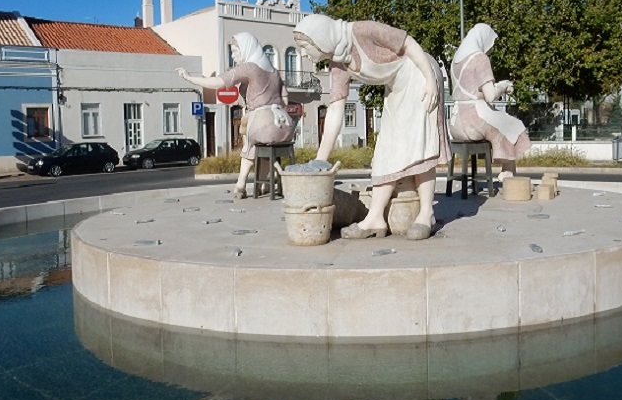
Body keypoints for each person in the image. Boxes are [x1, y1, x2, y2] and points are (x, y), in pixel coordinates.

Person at [293, 14, 449, 240]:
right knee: (385, 149)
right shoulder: (338, 64)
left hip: (419, 74)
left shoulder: (362, 30)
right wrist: (320, 160)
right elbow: (335, 110)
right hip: (397, 86)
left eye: (305, 46)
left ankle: (427, 214)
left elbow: (408, 43)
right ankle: (375, 217)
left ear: (321, 38)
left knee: (421, 144)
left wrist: (430, 80)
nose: (304, 53)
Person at [176, 32, 294, 198]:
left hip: (261, 118)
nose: (233, 55)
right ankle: (264, 185)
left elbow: (218, 82)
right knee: (265, 146)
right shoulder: (274, 72)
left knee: (249, 146)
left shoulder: (248, 68)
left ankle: (241, 184)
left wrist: (190, 78)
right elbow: (285, 98)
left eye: (235, 51)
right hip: (285, 124)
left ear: (245, 49)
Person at [448, 23, 530, 180]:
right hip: (474, 120)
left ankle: (506, 168)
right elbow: (490, 96)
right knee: (513, 124)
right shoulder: (480, 58)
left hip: (455, 123)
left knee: (503, 123)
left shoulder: (455, 62)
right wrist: (504, 86)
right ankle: (507, 171)